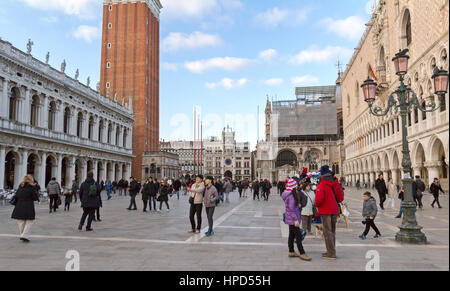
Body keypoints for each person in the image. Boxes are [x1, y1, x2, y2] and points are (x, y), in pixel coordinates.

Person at [315, 165, 344, 260]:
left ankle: (331, 253)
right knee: (332, 231)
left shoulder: (322, 184)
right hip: (335, 211)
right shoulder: (336, 184)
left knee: (327, 232)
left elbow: (319, 200)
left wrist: (317, 205)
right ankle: (331, 250)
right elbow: (340, 198)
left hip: (325, 211)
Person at [282, 178, 311, 261]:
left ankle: (291, 251)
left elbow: (291, 206)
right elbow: (291, 209)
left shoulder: (288, 195)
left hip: (290, 218)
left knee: (291, 235)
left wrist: (297, 205)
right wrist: (295, 220)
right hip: (293, 219)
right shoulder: (291, 196)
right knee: (298, 236)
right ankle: (302, 253)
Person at [11, 175, 39, 243]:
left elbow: (17, 195)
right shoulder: (32, 187)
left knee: (21, 221)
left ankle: (22, 235)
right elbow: (35, 197)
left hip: (19, 205)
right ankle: (24, 235)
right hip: (28, 205)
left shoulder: (20, 186)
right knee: (29, 221)